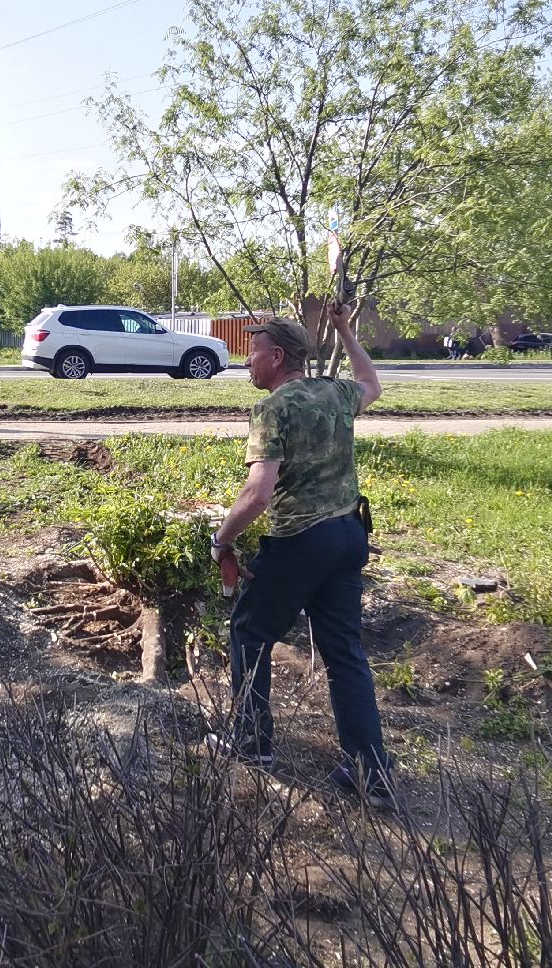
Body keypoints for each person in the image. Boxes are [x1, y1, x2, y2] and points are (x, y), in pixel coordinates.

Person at [210, 306, 393, 805]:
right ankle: (370, 772)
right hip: (349, 537)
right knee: (344, 654)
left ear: (276, 356)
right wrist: (347, 333)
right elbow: (370, 382)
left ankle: (251, 746)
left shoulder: (274, 410)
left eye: (252, 353)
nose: (246, 362)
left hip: (301, 542)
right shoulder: (335, 394)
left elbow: (259, 494)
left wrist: (221, 540)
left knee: (250, 630)